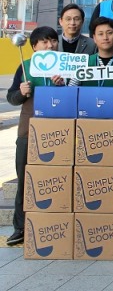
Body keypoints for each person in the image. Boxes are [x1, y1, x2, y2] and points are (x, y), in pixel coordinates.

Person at [6, 27, 65, 246]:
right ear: (34, 47)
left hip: (59, 132)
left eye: (52, 41)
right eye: (44, 42)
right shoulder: (25, 66)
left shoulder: (67, 66)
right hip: (28, 131)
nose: (50, 45)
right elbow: (11, 98)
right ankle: (20, 227)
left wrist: (64, 85)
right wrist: (21, 92)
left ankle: (54, 224)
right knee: (24, 179)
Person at [70, 17, 113, 87]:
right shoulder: (83, 63)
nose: (105, 37)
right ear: (94, 38)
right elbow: (71, 89)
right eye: (100, 34)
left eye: (109, 33)